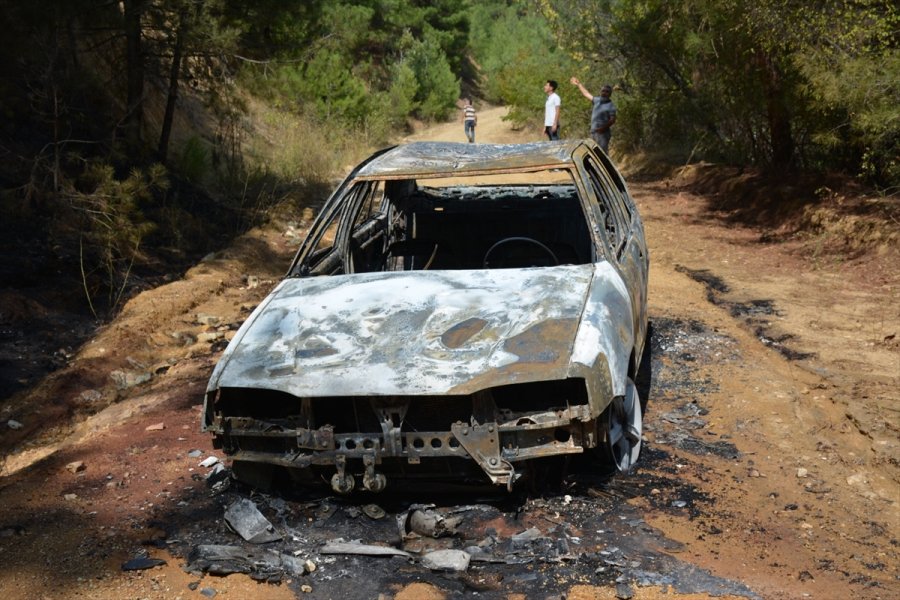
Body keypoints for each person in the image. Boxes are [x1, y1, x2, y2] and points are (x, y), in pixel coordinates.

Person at [570, 77, 616, 153]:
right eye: (603, 91)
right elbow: (586, 93)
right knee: (594, 154)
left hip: (603, 134)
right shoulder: (597, 100)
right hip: (594, 132)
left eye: (607, 91)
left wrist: (602, 129)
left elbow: (612, 120)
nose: (604, 93)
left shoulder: (611, 106)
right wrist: (579, 84)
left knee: (602, 154)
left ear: (610, 94)